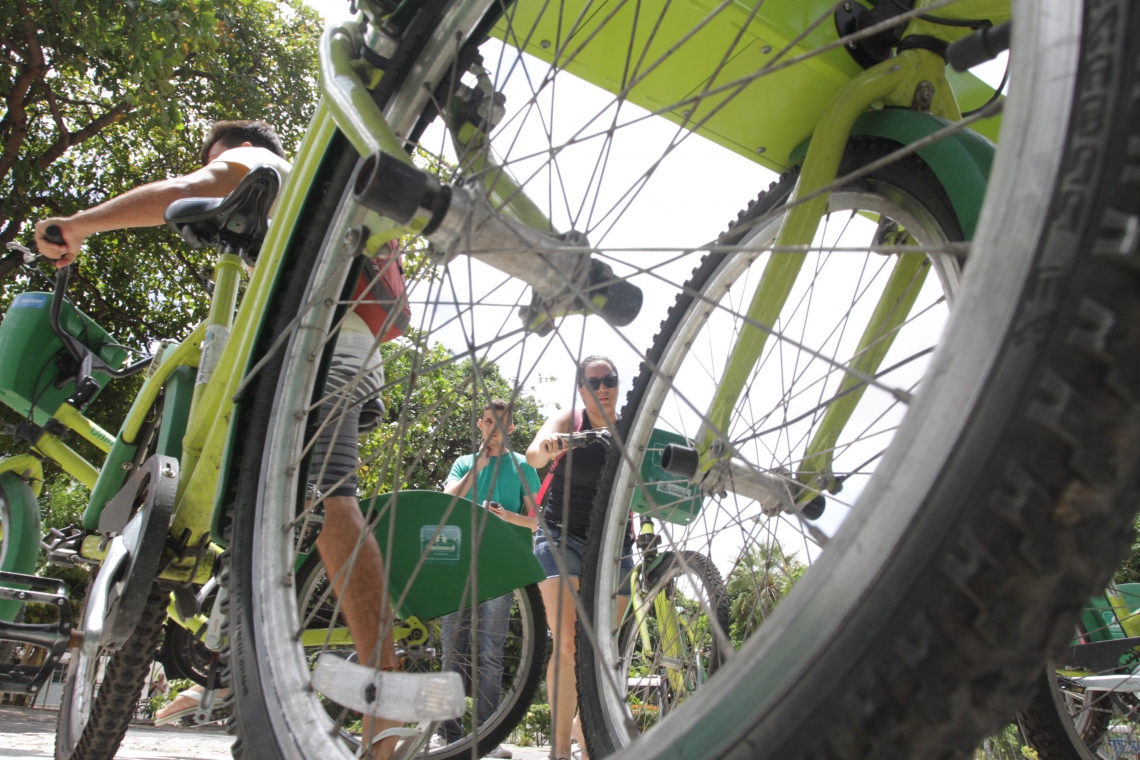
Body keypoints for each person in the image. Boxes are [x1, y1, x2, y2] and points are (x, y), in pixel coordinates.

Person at [35, 120, 404, 758]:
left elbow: (194, 185)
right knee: (291, 508)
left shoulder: (263, 161)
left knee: (327, 501)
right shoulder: (314, 195)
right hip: (337, 347)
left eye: (219, 155)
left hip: (318, 350)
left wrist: (79, 224)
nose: (220, 166)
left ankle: (386, 715)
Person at [525, 356, 635, 760]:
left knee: (601, 650)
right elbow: (534, 455)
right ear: (581, 389)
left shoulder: (633, 426)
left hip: (614, 543)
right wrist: (549, 447)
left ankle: (584, 725)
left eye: (610, 380)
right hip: (560, 535)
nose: (602, 388)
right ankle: (559, 752)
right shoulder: (569, 420)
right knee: (569, 642)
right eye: (593, 382)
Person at [437, 399, 540, 759]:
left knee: (491, 654)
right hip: (456, 568)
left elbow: (540, 520)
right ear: (479, 425)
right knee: (452, 649)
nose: (492, 430)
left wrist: (508, 516)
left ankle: (487, 738)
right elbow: (446, 501)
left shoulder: (523, 467)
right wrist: (477, 467)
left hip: (501, 568)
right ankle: (448, 736)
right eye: (486, 423)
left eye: (499, 425)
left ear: (510, 429)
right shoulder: (465, 463)